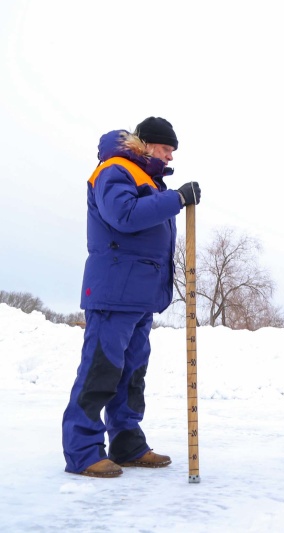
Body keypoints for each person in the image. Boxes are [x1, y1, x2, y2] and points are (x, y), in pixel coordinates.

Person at [62, 117, 201, 478]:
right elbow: (123, 215)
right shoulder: (115, 170)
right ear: (147, 144)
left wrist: (168, 197)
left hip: (139, 296)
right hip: (114, 292)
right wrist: (176, 199)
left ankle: (127, 444)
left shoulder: (149, 180)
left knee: (131, 375)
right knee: (101, 370)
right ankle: (82, 451)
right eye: (166, 148)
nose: (170, 156)